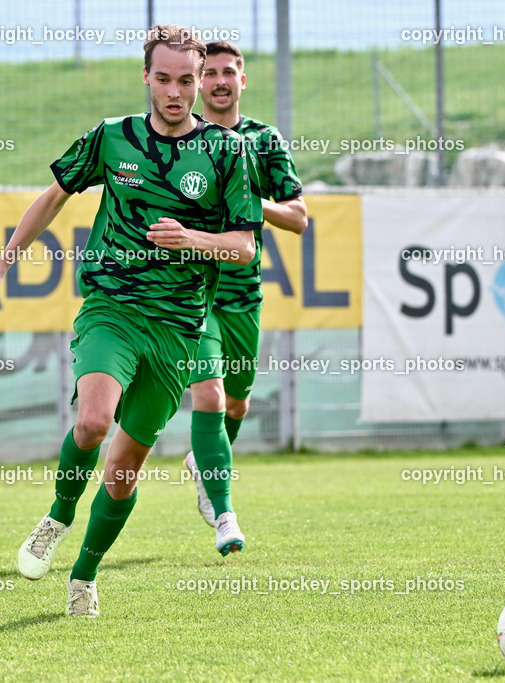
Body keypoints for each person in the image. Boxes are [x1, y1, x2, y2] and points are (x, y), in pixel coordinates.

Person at [0, 25, 261, 618]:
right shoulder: (112, 137)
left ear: (199, 81)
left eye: (186, 80)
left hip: (178, 329)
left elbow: (244, 246)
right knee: (93, 422)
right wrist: (1, 266)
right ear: (146, 77)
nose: (174, 92)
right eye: (163, 79)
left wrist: (192, 238)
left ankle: (84, 575)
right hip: (113, 309)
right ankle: (57, 515)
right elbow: (53, 196)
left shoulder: (228, 152)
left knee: (124, 471)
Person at [182, 41, 307, 553]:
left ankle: (203, 461)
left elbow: (297, 217)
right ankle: (224, 514)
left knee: (236, 402)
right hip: (192, 291)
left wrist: (250, 199)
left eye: (228, 72)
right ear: (198, 81)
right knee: (209, 395)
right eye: (209, 72)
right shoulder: (180, 139)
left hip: (242, 292)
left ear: (242, 80)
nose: (219, 81)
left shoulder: (263, 140)